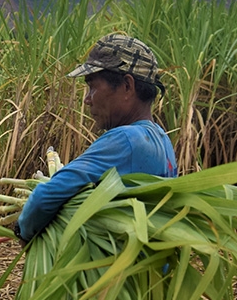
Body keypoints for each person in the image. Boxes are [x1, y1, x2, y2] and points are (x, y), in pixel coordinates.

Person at [15, 33, 178, 242]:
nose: (87, 100)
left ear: (127, 86)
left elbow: (44, 197)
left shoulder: (126, 139)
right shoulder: (163, 140)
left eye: (92, 86)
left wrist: (24, 231)